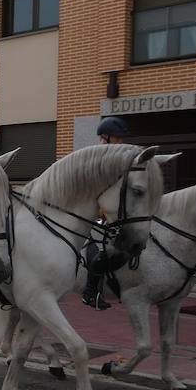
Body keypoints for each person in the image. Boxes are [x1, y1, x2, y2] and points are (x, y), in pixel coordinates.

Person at [80, 115, 131, 306]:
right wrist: (100, 208)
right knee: (101, 247)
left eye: (121, 138)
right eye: (117, 138)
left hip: (116, 213)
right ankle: (90, 292)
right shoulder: (97, 158)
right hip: (95, 211)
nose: (120, 142)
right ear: (106, 137)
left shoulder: (118, 158)